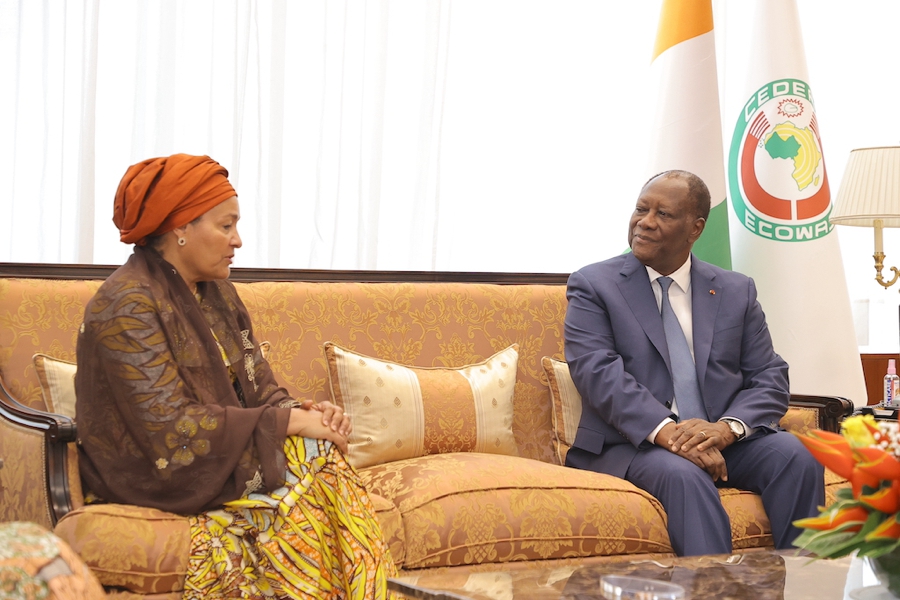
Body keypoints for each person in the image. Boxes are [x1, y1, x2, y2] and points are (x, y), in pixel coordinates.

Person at [75, 154, 396, 598]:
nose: (238, 240)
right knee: (315, 477)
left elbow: (258, 387)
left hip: (216, 459)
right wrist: (289, 425)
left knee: (320, 456)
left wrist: (304, 412)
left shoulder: (218, 293)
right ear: (181, 228)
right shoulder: (125, 305)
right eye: (226, 226)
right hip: (151, 473)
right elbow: (171, 432)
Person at [563, 170, 823, 556]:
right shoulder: (594, 285)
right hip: (637, 445)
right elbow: (599, 374)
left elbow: (769, 376)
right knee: (685, 477)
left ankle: (810, 591)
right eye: (640, 209)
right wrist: (674, 437)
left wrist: (725, 430)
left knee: (798, 457)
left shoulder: (735, 290)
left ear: (695, 228)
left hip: (721, 437)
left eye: (663, 214)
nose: (645, 222)